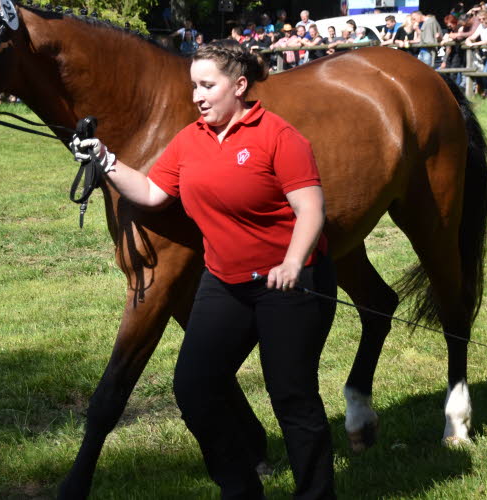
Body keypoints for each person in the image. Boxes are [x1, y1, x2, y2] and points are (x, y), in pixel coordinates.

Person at [71, 39, 337, 500]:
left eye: (207, 85)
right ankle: (240, 489)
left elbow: (311, 210)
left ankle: (315, 495)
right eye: (193, 85)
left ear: (238, 86)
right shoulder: (191, 138)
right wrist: (106, 160)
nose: (197, 95)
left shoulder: (277, 135)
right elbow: (154, 193)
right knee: (194, 389)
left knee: (291, 398)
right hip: (225, 283)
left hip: (290, 283)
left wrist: (293, 262)